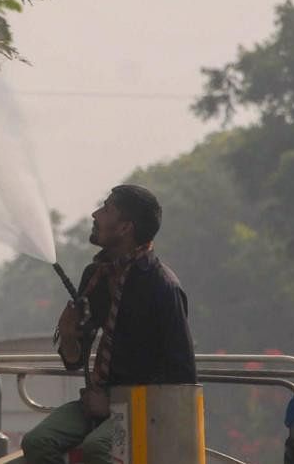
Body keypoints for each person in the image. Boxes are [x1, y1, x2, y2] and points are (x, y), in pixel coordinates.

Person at [21, 184, 196, 464]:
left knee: (98, 449)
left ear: (125, 227)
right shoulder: (97, 276)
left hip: (146, 409)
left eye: (106, 209)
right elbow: (74, 362)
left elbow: (181, 375)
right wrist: (68, 335)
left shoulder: (161, 285)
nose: (95, 214)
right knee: (37, 442)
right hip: (99, 400)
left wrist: (118, 403)